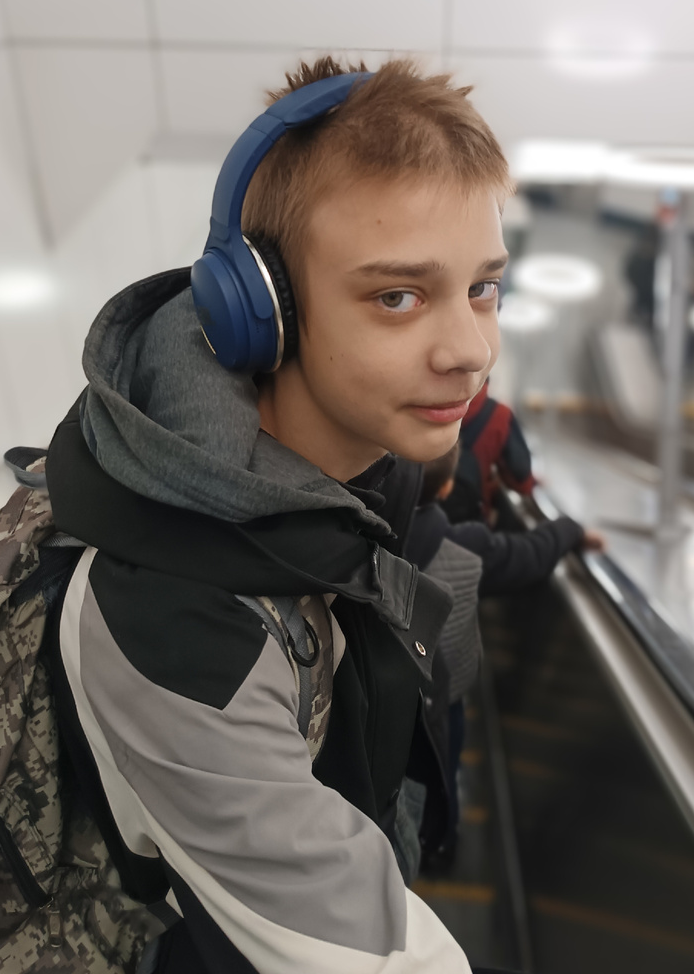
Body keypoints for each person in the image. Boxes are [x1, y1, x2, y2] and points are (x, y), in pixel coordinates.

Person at [45, 57, 517, 973]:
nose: (471, 351)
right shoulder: (169, 618)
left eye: (483, 288)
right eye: (397, 296)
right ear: (260, 311)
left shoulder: (374, 463)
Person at [406, 442, 603, 866]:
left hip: (380, 693)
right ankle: (439, 844)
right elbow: (531, 556)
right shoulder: (467, 546)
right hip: (444, 698)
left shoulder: (361, 534)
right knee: (442, 766)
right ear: (446, 489)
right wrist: (569, 528)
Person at [441, 381, 536, 524]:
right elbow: (522, 481)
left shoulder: (423, 404)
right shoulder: (500, 416)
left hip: (420, 510)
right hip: (469, 520)